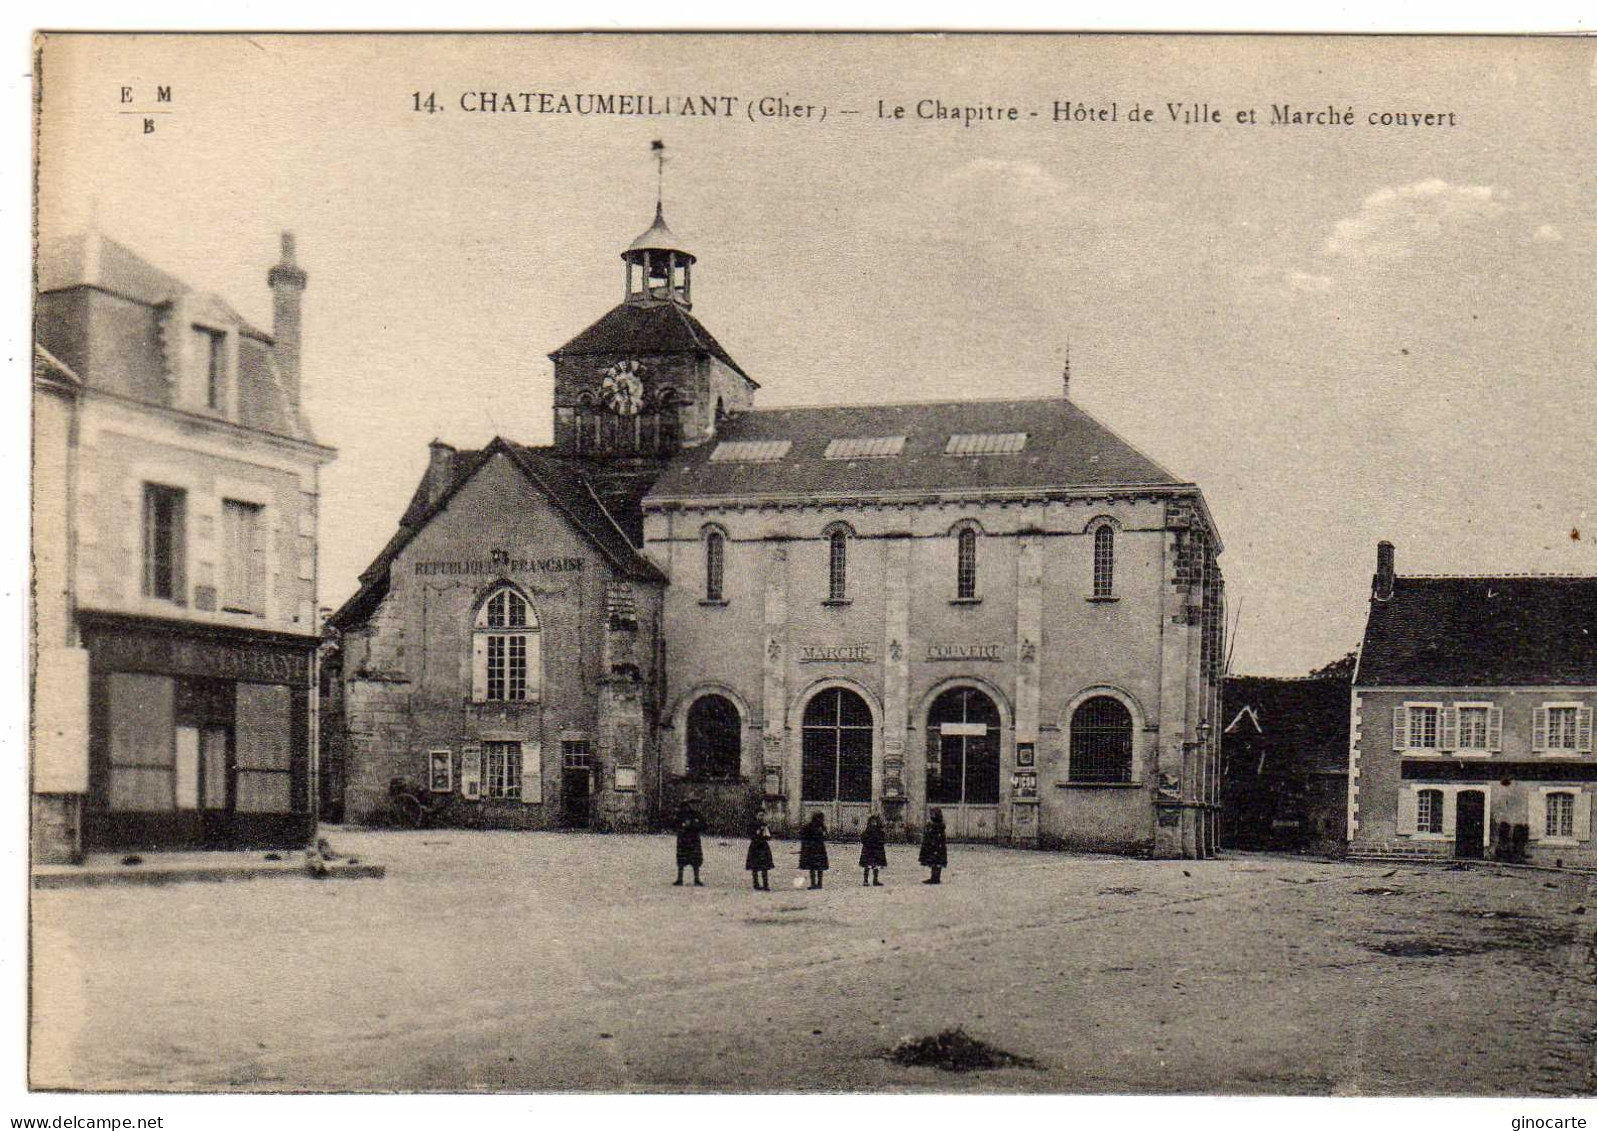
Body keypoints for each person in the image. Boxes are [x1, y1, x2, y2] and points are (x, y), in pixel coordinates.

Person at [674, 799, 706, 886]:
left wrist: (693, 825)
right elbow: (674, 824)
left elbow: (703, 825)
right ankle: (680, 879)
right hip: (683, 841)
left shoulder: (696, 814)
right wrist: (682, 826)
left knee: (695, 861)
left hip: (693, 840)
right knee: (681, 860)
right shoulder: (680, 815)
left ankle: (696, 879)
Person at [799, 811, 829, 889]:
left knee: (819, 867)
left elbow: (826, 836)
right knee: (813, 867)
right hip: (813, 849)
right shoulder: (809, 826)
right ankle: (814, 883)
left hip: (819, 849)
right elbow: (802, 834)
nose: (821, 820)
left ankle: (819, 883)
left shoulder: (821, 827)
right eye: (820, 818)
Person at [745, 811, 774, 891]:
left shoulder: (765, 825)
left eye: (762, 815)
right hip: (755, 846)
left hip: (763, 847)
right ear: (756, 815)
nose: (761, 817)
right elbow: (751, 835)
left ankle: (765, 885)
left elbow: (769, 836)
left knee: (764, 867)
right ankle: (756, 884)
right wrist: (758, 832)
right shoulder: (752, 824)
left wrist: (767, 833)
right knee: (755, 867)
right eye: (760, 815)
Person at [919, 807, 948, 884]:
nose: (931, 816)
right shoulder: (932, 824)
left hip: (937, 847)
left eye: (933, 814)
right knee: (933, 862)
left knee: (937, 862)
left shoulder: (939, 826)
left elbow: (939, 837)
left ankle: (936, 878)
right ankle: (934, 877)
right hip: (933, 846)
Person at [859, 813, 888, 887]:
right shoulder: (868, 830)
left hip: (876, 851)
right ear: (870, 822)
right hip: (869, 851)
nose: (874, 823)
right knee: (868, 865)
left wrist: (880, 843)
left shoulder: (879, 831)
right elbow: (863, 839)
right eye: (872, 822)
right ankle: (865, 881)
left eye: (875, 822)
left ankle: (875, 880)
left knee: (876, 866)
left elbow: (883, 840)